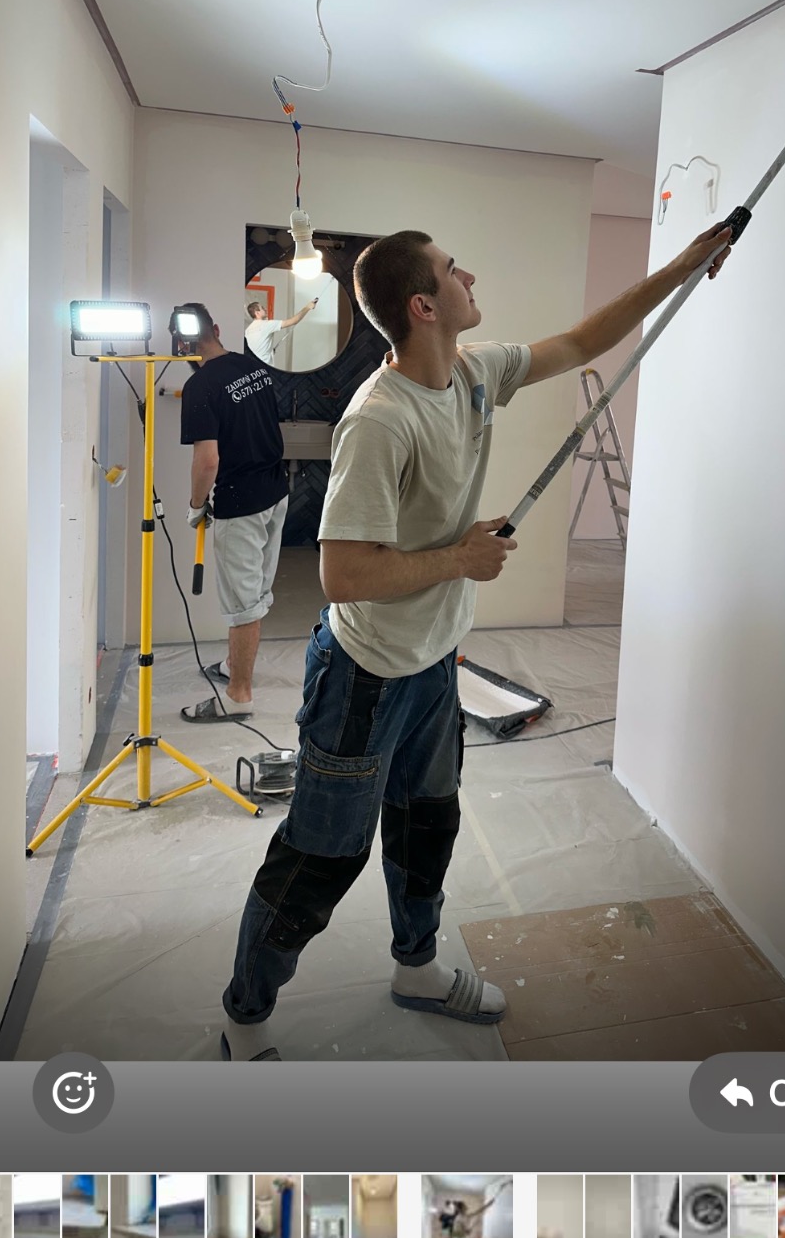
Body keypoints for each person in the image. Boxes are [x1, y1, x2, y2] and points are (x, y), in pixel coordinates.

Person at [218, 222, 732, 1059]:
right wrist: (460, 555)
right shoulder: (379, 422)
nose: (471, 274)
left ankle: (415, 967)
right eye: (455, 270)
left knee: (428, 827)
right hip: (365, 675)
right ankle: (246, 1012)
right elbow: (342, 575)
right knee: (323, 853)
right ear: (424, 305)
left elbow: (578, 341)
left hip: (431, 665)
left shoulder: (473, 369)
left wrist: (681, 267)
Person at [176, 303, 289, 721]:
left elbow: (207, 462)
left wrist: (195, 506)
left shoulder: (200, 387)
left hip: (240, 506)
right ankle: (231, 667)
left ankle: (239, 695)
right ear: (218, 329)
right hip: (276, 492)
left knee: (244, 605)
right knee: (256, 593)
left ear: (181, 345)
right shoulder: (250, 366)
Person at [244, 298, 318, 367]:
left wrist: (268, 350)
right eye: (262, 308)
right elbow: (294, 321)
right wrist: (307, 307)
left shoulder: (248, 330)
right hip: (265, 367)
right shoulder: (266, 324)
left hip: (252, 366)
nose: (265, 309)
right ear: (257, 313)